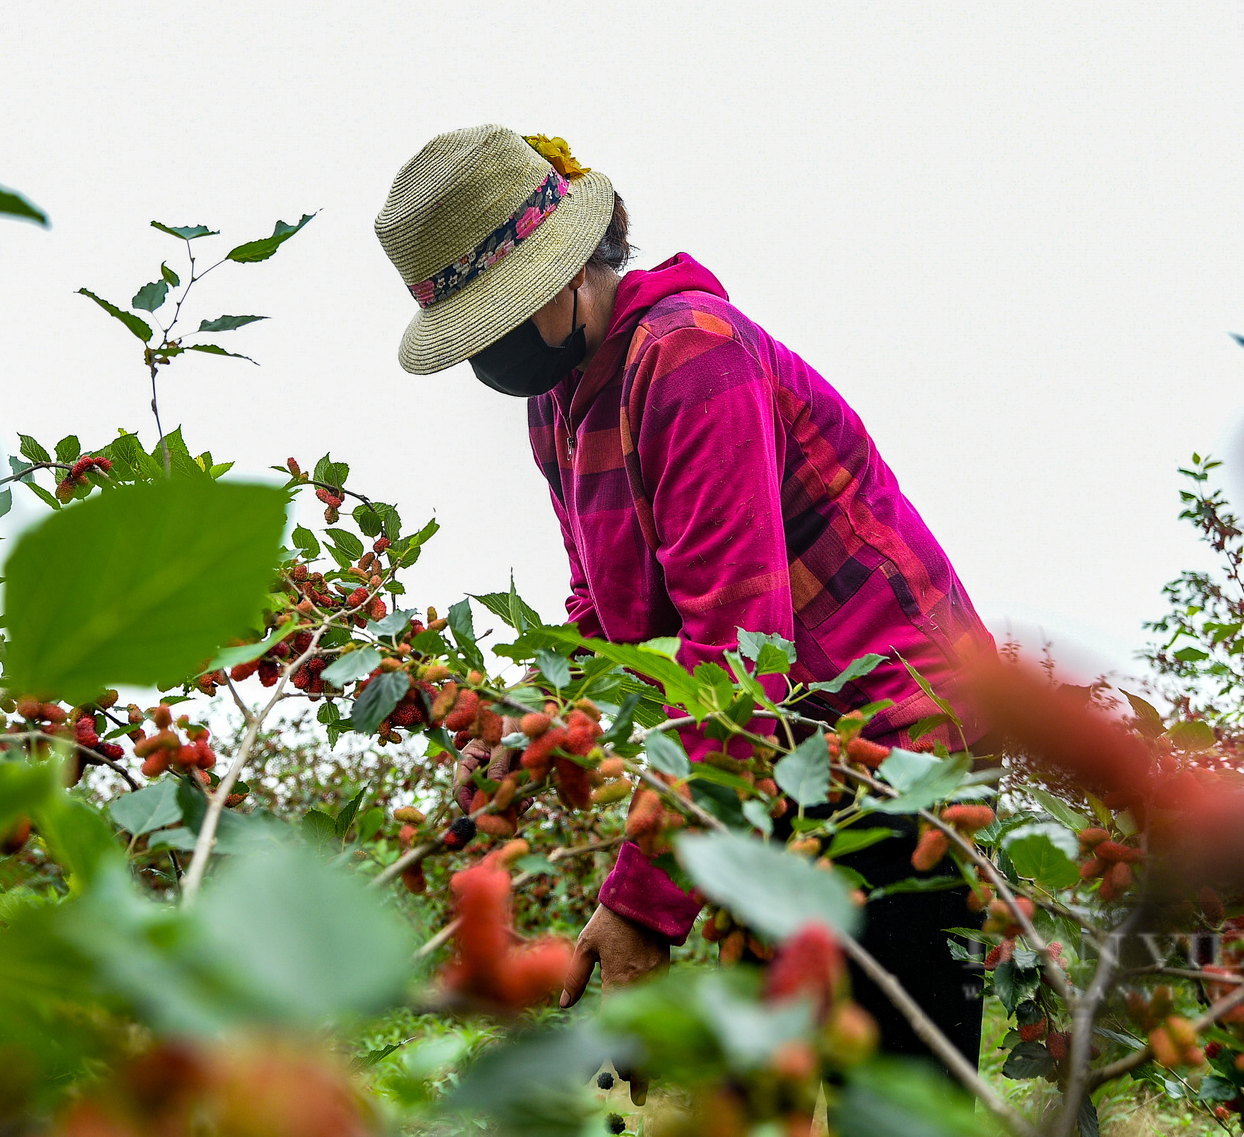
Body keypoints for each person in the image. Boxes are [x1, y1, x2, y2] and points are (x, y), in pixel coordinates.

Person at [375, 124, 997, 1062]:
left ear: (577, 264)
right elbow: (603, 614)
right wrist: (533, 734)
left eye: (506, 313)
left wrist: (639, 905)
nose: (493, 351)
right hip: (779, 763)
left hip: (897, 744)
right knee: (785, 1074)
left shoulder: (691, 355)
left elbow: (737, 656)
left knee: (896, 1096)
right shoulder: (560, 405)